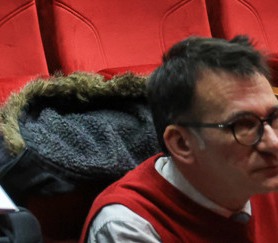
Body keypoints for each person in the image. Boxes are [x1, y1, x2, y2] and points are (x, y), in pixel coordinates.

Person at [82, 35, 278, 243]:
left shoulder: (267, 175)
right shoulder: (128, 226)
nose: (273, 143)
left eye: (274, 118)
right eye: (243, 125)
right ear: (181, 143)